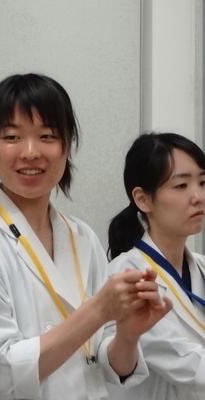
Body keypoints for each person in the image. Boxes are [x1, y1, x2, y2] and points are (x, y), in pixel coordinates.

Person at [0, 73, 171, 400]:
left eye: (47, 136)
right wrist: (98, 311)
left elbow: (107, 366)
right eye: (12, 137)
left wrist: (128, 336)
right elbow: (0, 375)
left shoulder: (81, 237)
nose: (30, 152)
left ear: (67, 145)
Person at [107, 132, 205, 400]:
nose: (198, 196)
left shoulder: (200, 267)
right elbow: (190, 366)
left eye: (202, 182)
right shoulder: (126, 277)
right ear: (143, 199)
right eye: (181, 186)